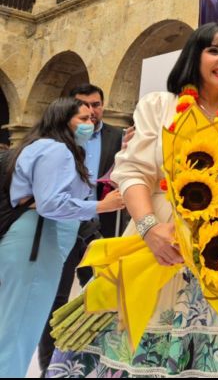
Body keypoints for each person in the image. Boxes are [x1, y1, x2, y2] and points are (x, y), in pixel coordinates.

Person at [45, 22, 218, 377]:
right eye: (214, 50)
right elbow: (133, 172)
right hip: (154, 246)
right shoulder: (160, 106)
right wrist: (150, 229)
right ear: (193, 56)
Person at [0, 97, 124, 378]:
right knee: (20, 329)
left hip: (34, 238)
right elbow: (50, 203)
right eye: (83, 118)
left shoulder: (42, 146)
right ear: (62, 120)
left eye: (92, 118)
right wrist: (101, 206)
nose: (91, 123)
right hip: (37, 239)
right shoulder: (56, 150)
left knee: (16, 325)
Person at [37, 84, 129, 372]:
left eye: (96, 105)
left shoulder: (118, 136)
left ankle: (96, 364)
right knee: (56, 299)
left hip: (101, 229)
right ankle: (50, 366)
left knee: (104, 296)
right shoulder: (58, 143)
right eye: (84, 106)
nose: (92, 111)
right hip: (61, 226)